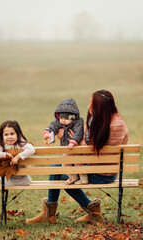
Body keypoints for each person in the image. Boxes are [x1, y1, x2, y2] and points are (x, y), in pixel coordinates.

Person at [26, 90, 128, 225]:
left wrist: (75, 140)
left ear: (99, 106)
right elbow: (93, 144)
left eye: (92, 103)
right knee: (57, 168)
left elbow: (90, 149)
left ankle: (54, 214)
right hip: (107, 169)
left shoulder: (110, 125)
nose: (88, 106)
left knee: (59, 172)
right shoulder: (113, 119)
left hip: (101, 173)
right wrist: (71, 136)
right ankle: (90, 210)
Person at [43, 98, 88, 185]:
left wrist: (73, 142)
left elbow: (78, 133)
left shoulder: (78, 122)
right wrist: (47, 132)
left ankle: (83, 178)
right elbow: (53, 126)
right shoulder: (59, 122)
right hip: (66, 149)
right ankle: (73, 176)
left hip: (76, 148)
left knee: (78, 163)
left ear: (73, 117)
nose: (63, 120)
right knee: (65, 164)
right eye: (61, 118)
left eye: (66, 118)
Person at [0, 120, 35, 186]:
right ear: (2, 136)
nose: (9, 137)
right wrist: (8, 155)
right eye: (6, 134)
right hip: (21, 179)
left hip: (9, 179)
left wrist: (16, 157)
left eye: (12, 134)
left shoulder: (18, 143)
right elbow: (31, 149)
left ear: (17, 134)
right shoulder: (20, 143)